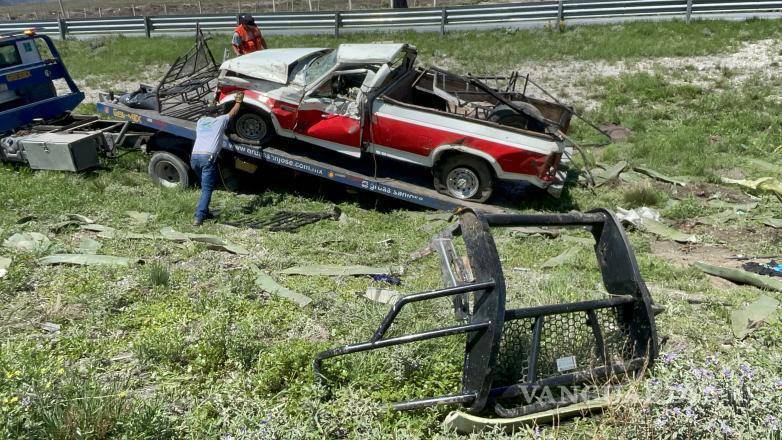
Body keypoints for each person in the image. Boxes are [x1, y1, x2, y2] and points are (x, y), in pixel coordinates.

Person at [190, 92, 244, 226]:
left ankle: (205, 211)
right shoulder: (219, 121)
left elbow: (209, 112)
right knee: (207, 189)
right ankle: (199, 217)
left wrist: (212, 102)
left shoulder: (200, 122)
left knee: (204, 187)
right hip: (207, 159)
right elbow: (232, 113)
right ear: (216, 114)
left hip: (195, 158)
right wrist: (238, 102)